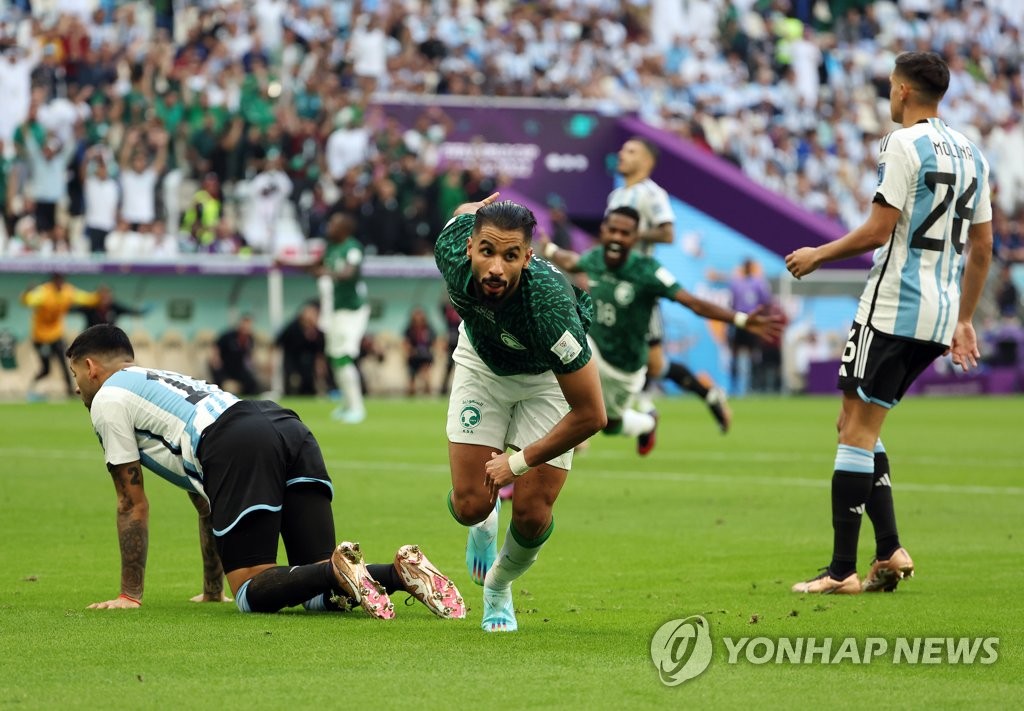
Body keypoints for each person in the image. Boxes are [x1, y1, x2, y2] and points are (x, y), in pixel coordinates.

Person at [65, 324, 465, 619]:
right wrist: (209, 589)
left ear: (90, 367)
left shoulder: (107, 399)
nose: (78, 387)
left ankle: (338, 567)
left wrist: (129, 595)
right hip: (282, 424)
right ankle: (400, 573)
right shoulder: (155, 382)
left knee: (250, 591)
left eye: (75, 377)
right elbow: (207, 501)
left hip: (236, 442)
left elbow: (130, 504)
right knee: (321, 592)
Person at [785, 51, 993, 595]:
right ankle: (889, 548)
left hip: (892, 303)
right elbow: (983, 246)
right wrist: (965, 318)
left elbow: (879, 231)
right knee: (857, 427)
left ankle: (840, 572)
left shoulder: (901, 144)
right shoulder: (973, 153)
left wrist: (818, 255)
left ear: (902, 91)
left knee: (854, 431)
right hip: (940, 314)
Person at [436, 193, 606, 632]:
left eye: (511, 256)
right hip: (482, 364)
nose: (496, 267)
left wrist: (518, 461)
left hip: (546, 378)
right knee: (472, 504)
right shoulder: (451, 249)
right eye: (487, 251)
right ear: (469, 247)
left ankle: (498, 587)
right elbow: (461, 216)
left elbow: (592, 414)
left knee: (531, 514)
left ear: (528, 258)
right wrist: (470, 206)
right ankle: (483, 526)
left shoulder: (550, 309)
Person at [543, 207, 783, 454]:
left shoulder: (648, 271)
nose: (616, 237)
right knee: (558, 362)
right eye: (612, 230)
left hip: (625, 367)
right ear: (603, 231)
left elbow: (693, 302)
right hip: (591, 348)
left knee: (610, 425)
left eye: (624, 233)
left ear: (636, 238)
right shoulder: (595, 257)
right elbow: (571, 261)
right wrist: (549, 250)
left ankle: (647, 423)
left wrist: (741, 320)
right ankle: (542, 449)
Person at [607, 137, 732, 433]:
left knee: (653, 365)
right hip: (613, 286)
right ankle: (653, 410)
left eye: (631, 150)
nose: (622, 154)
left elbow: (667, 233)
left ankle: (660, 408)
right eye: (623, 149)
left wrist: (632, 236)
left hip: (639, 289)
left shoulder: (652, 194)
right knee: (643, 362)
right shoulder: (615, 196)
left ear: (647, 161)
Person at [317, 212, 370, 423]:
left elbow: (349, 273)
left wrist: (324, 273)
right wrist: (284, 262)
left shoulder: (353, 248)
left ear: (345, 228)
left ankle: (357, 408)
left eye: (334, 222)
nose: (329, 225)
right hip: (336, 310)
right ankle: (347, 404)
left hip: (353, 310)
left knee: (343, 356)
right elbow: (315, 265)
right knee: (334, 357)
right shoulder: (330, 247)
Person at [21, 273, 98, 399]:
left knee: (64, 363)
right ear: (53, 282)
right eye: (57, 281)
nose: (60, 284)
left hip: (56, 335)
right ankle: (32, 387)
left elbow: (85, 298)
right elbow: (28, 300)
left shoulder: (68, 291)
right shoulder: (44, 292)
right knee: (46, 369)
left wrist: (98, 296)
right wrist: (27, 293)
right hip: (40, 337)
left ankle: (69, 391)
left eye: (61, 281)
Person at [727, 258, 776, 396]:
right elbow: (732, 303)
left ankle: (755, 386)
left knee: (754, 355)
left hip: (753, 322)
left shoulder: (758, 283)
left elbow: (766, 302)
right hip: (739, 321)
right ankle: (734, 387)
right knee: (735, 355)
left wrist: (763, 319)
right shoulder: (736, 283)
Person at [275, 301, 328, 396]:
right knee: (293, 383)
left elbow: (320, 351)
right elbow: (278, 343)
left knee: (309, 385)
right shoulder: (292, 327)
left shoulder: (317, 332)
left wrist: (320, 364)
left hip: (308, 364)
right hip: (292, 361)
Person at [209, 314, 263, 396]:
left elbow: (249, 355)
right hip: (224, 368)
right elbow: (216, 347)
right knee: (220, 385)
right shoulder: (228, 336)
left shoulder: (250, 339)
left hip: (239, 368)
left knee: (252, 384)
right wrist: (216, 360)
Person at [72, 284, 150, 328]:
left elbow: (132, 312)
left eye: (107, 294)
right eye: (102, 294)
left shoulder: (115, 307)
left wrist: (143, 311)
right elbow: (72, 310)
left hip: (110, 340)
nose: (105, 297)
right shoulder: (90, 307)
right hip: (90, 339)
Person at [403, 306, 437, 396]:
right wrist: (409, 351)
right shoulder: (409, 329)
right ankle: (411, 393)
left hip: (425, 356)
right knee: (411, 379)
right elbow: (406, 343)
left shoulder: (429, 329)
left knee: (426, 375)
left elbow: (434, 342)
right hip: (413, 356)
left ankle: (428, 393)